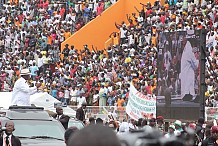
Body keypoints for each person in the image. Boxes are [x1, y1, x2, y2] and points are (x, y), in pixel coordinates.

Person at [180, 30, 199, 101]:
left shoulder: (189, 48)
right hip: (187, 73)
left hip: (188, 73)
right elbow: (194, 63)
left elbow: (194, 63)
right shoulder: (187, 48)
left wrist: (197, 60)